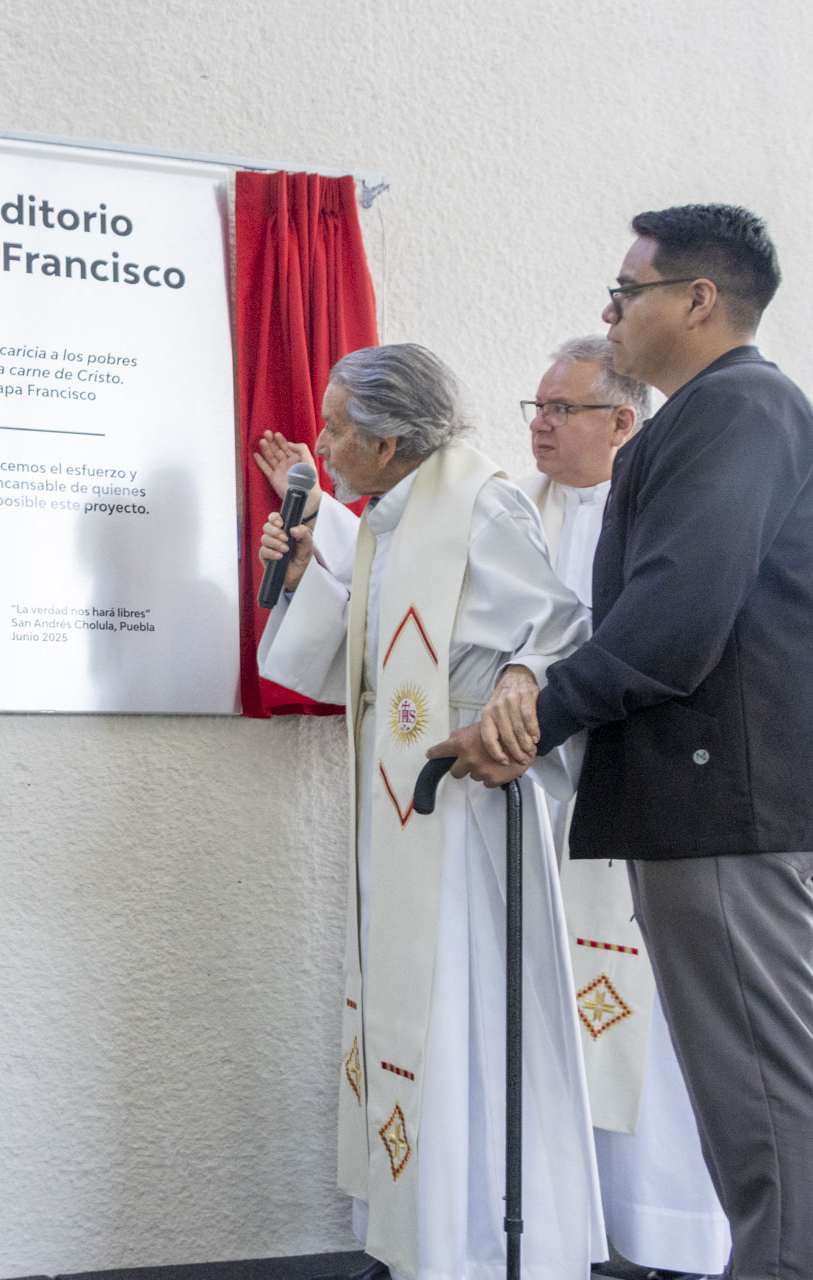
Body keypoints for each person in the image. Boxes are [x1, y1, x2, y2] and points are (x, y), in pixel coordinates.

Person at [434, 205, 813, 1279]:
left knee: (761, 1090)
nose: (609, 311)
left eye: (628, 291)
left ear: (699, 300)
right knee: (738, 1090)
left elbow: (673, 616)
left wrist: (534, 714)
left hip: (727, 806)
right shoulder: (705, 415)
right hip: (702, 804)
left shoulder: (741, 409)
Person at [256, 344, 601, 1280]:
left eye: (335, 428)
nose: (322, 445)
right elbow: (362, 669)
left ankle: (479, 1242)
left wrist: (519, 686)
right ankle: (421, 1233)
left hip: (470, 814)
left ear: (389, 437)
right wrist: (298, 580)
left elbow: (563, 628)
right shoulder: (385, 524)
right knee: (417, 1014)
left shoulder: (480, 505)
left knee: (465, 1017)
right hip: (401, 817)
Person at [518, 339, 730, 1280]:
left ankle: (669, 1228)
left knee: (645, 1024)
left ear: (622, 422)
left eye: (562, 408)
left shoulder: (643, 517)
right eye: (536, 406)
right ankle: (581, 1227)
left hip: (626, 787)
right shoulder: (521, 513)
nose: (540, 423)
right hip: (544, 800)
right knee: (559, 1014)